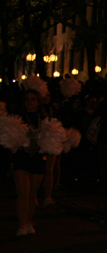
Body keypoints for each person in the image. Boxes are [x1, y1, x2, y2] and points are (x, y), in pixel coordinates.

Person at [1, 89, 66, 236]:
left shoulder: (44, 119)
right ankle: (22, 225)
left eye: (33, 99)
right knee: (22, 194)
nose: (30, 102)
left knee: (32, 195)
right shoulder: (18, 117)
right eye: (27, 99)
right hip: (21, 158)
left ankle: (28, 222)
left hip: (37, 159)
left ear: (38, 102)